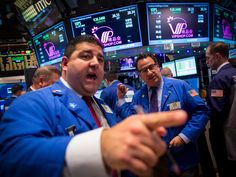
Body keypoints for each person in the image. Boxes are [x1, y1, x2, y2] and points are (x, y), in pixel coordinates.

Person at [0, 35, 188, 177]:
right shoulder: (35, 101)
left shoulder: (101, 104)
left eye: (100, 59)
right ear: (65, 64)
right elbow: (11, 158)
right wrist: (99, 147)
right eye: (86, 56)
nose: (95, 63)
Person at [116, 53, 209, 177]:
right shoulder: (139, 96)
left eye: (152, 67)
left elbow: (201, 111)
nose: (149, 72)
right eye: (144, 70)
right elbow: (133, 120)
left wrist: (184, 136)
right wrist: (121, 100)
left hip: (183, 160)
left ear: (158, 66)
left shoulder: (179, 86)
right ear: (140, 75)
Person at [206, 42, 236, 177]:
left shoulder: (218, 80)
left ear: (217, 56)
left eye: (208, 57)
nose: (207, 61)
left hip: (226, 139)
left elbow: (216, 112)